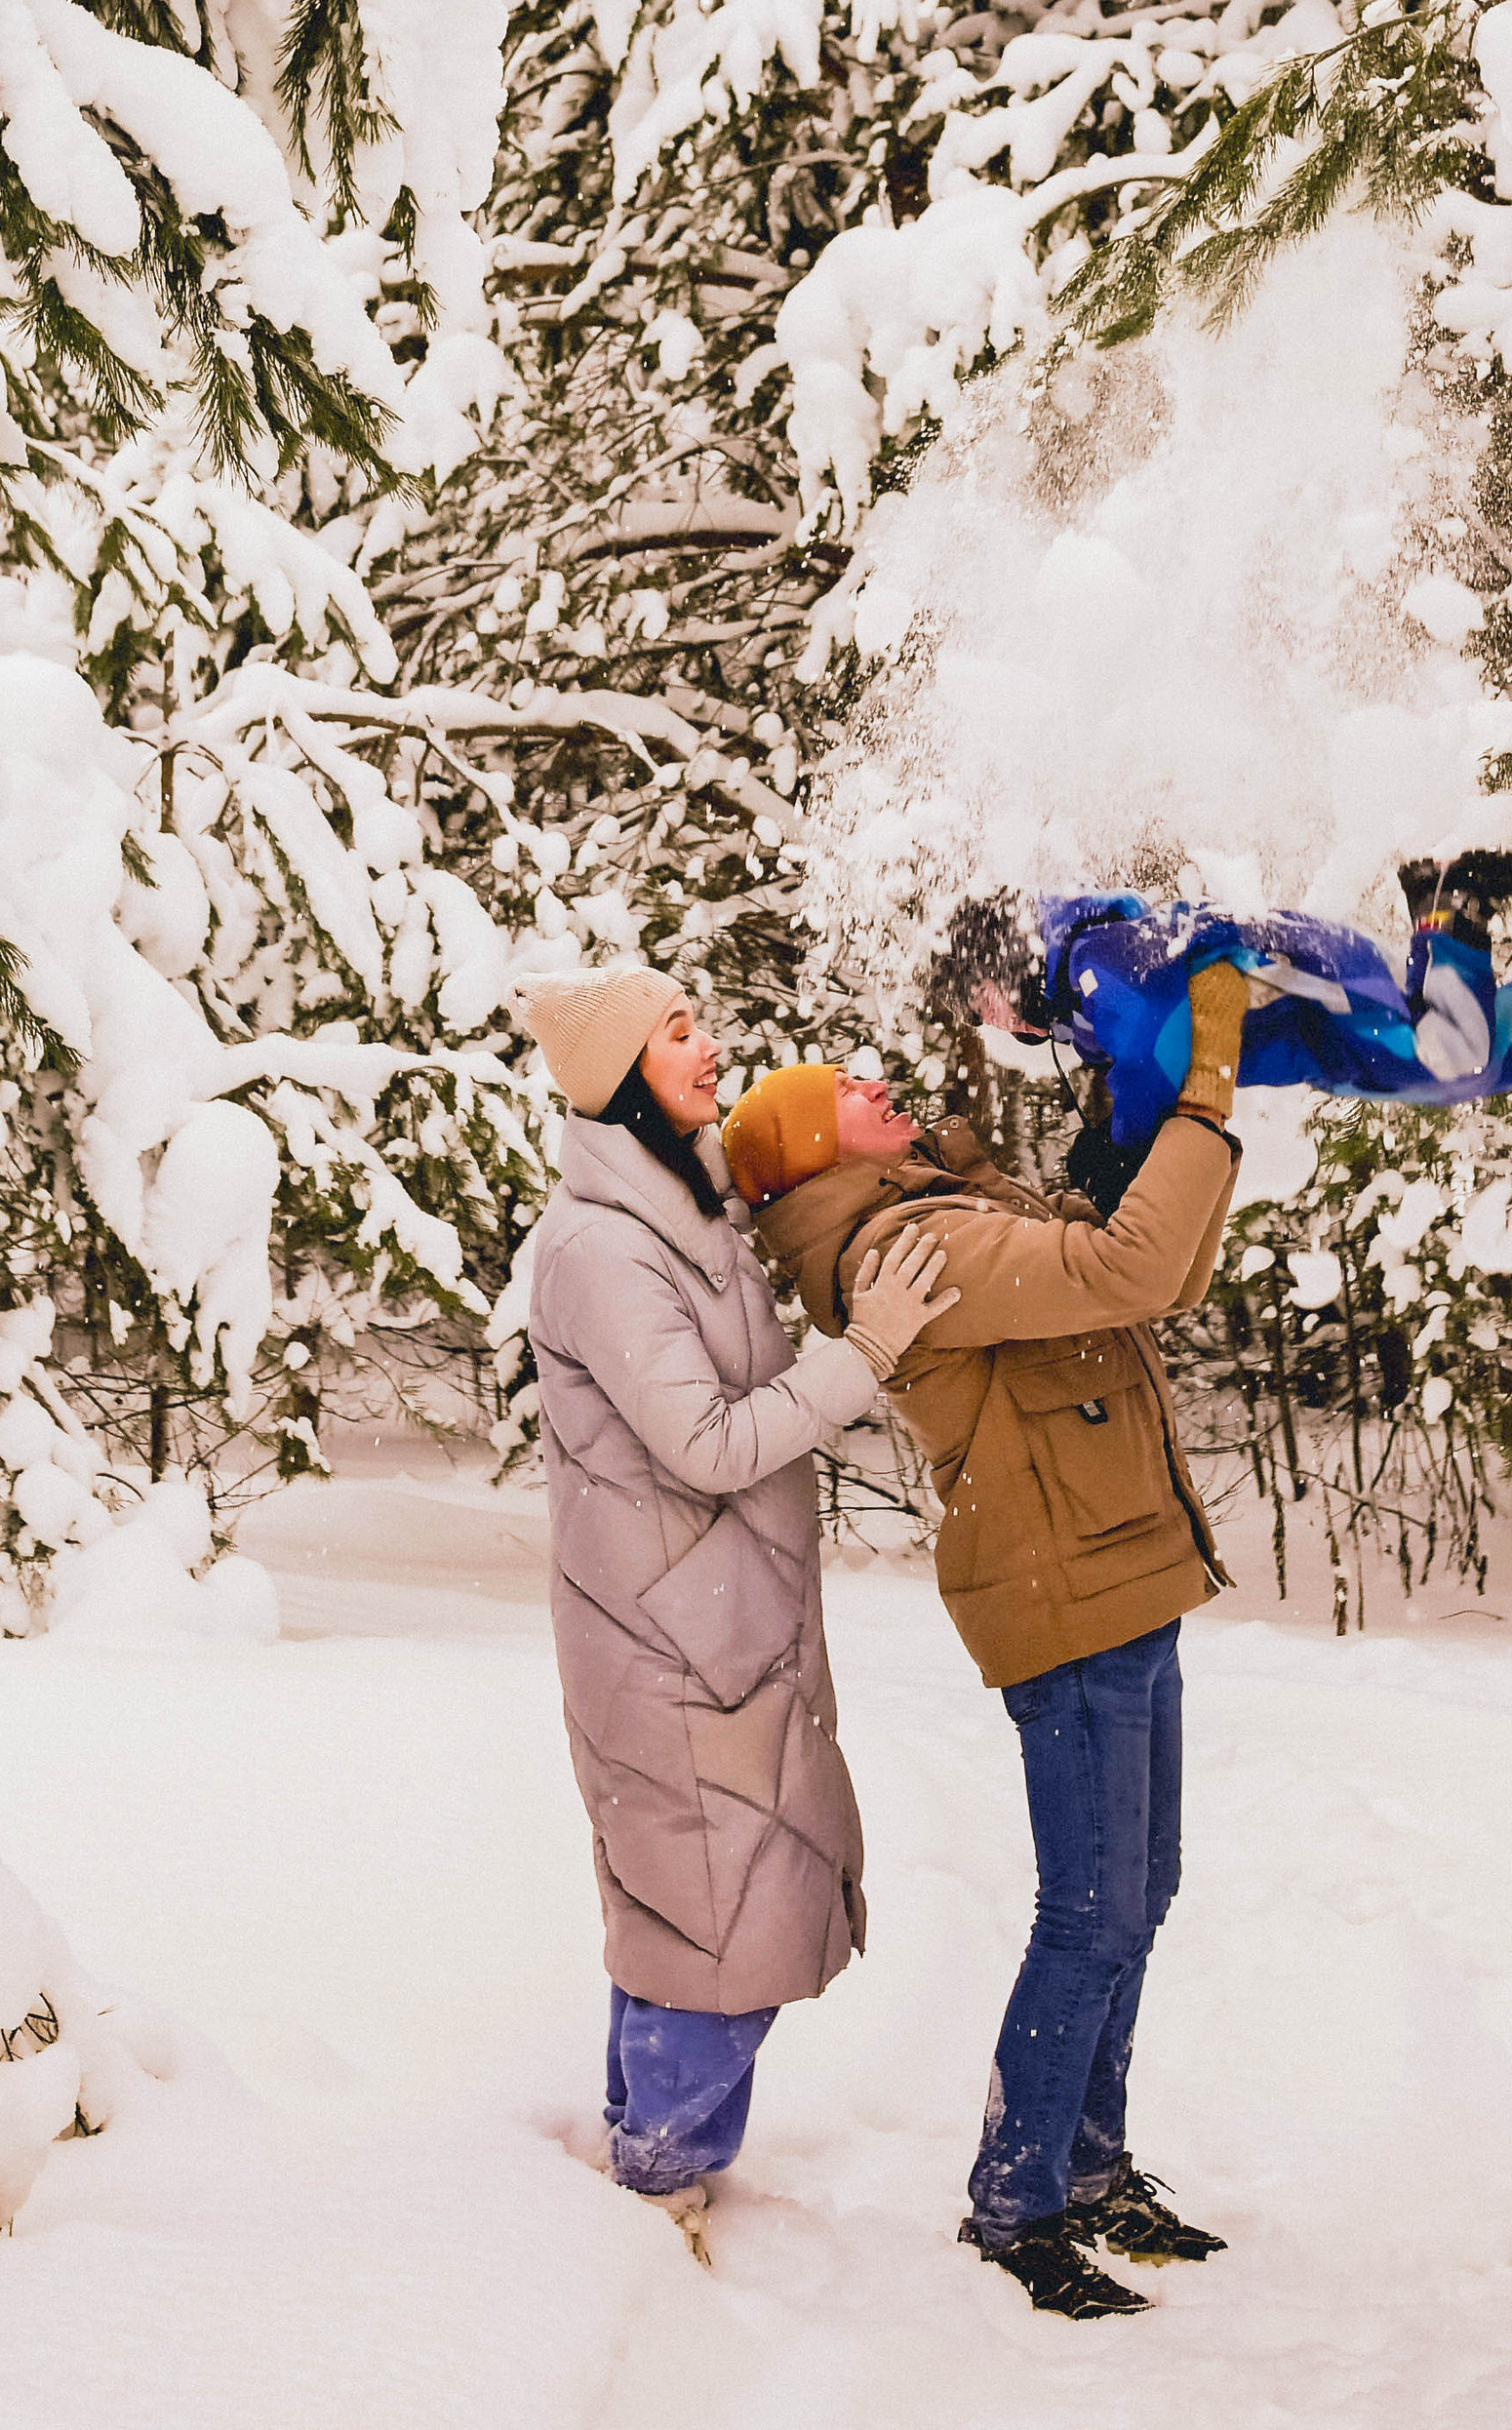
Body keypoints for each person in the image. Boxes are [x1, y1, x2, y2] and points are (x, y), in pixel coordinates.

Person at [725, 980, 1251, 2326]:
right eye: (838, 1092)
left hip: (1116, 1568)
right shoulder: (910, 1248)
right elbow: (1130, 1267)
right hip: (1060, 1591)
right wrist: (1202, 1089)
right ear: (811, 1150)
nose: (874, 1085)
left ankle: (1088, 2164)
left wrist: (1133, 1123)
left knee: (1141, 1894)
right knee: (1087, 1913)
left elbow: (1160, 1274)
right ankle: (1017, 2203)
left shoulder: (941, 1208)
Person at [518, 969, 953, 2261]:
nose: (709, 1051)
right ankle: (654, 2195)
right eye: (676, 1034)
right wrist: (862, 1356)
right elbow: (705, 1441)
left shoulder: (685, 1213)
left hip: (712, 1628)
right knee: (707, 1917)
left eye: (699, 1023)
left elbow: (799, 1138)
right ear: (615, 1077)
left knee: (701, 1906)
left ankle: (659, 2163)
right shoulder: (603, 1247)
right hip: (663, 1641)